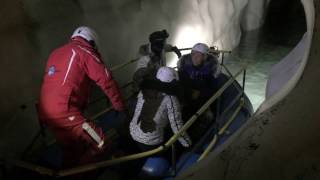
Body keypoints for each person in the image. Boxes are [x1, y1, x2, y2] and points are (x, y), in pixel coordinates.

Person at [37, 26, 125, 167]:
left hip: (46, 114)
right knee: (101, 143)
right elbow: (106, 80)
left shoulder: (56, 52)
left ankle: (68, 173)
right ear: (91, 42)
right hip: (65, 112)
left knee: (72, 150)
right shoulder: (84, 51)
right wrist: (120, 106)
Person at [130, 67, 192, 152]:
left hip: (133, 134)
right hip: (151, 143)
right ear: (173, 82)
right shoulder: (170, 98)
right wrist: (188, 144)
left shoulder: (143, 91)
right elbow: (177, 127)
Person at [177, 43, 220, 142]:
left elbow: (213, 88)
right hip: (187, 96)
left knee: (209, 117)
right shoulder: (184, 65)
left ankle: (197, 139)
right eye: (193, 54)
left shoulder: (211, 68)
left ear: (205, 57)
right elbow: (180, 83)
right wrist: (189, 92)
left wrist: (201, 93)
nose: (195, 58)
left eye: (198, 55)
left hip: (202, 99)